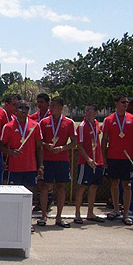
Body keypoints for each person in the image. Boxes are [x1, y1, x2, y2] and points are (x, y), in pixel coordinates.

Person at [0, 99, 44, 232]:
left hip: (30, 167)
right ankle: (13, 222)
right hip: (15, 168)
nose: (23, 111)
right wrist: (11, 152)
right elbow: (1, 146)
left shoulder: (35, 126)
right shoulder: (8, 127)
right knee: (14, 197)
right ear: (15, 110)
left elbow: (39, 147)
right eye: (20, 108)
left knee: (28, 196)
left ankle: (27, 222)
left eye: (26, 108)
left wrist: (40, 166)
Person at [37, 97, 77, 228]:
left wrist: (62, 148)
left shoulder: (69, 123)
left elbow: (74, 142)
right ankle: (43, 215)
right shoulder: (44, 122)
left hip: (62, 160)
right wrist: (46, 145)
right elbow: (38, 141)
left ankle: (59, 217)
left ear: (61, 108)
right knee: (44, 187)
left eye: (54, 106)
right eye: (51, 106)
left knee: (61, 187)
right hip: (48, 160)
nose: (51, 108)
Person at [101, 94, 133, 225]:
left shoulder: (132, 118)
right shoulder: (109, 120)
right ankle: (115, 209)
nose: (125, 104)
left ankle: (126, 213)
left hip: (128, 158)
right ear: (116, 103)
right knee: (114, 183)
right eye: (122, 102)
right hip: (113, 157)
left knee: (127, 185)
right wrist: (103, 157)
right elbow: (104, 140)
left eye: (126, 102)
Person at [73, 103, 105, 224]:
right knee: (82, 186)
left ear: (95, 112)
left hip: (97, 160)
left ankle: (90, 213)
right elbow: (79, 145)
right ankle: (77, 213)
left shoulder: (96, 123)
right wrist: (88, 159)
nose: (87, 112)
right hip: (85, 161)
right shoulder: (82, 126)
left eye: (89, 110)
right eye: (86, 110)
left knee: (94, 186)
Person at [29, 93, 54, 213]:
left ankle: (49, 200)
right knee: (39, 179)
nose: (39, 105)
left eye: (42, 102)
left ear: (48, 103)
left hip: (49, 152)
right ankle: (40, 202)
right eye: (38, 102)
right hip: (36, 151)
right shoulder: (33, 117)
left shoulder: (52, 116)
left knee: (49, 180)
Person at [2, 94, 21, 184]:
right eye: (14, 105)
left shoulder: (15, 118)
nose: (16, 107)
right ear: (6, 105)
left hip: (13, 156)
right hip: (1, 155)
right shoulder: (0, 117)